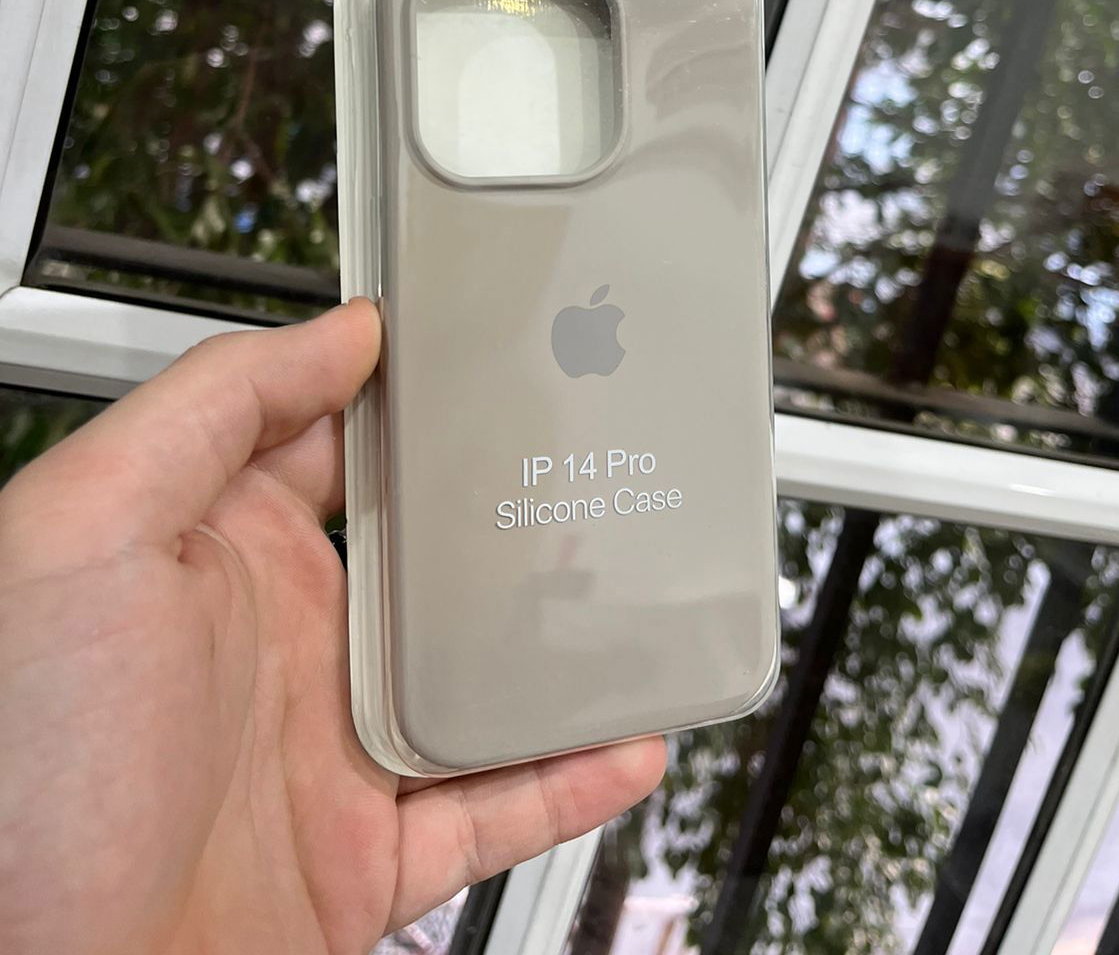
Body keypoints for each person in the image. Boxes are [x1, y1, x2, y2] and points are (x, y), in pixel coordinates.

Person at [0, 299, 665, 954]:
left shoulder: (482, 690)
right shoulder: (289, 593)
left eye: (534, 487)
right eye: (490, 478)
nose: (516, 512)